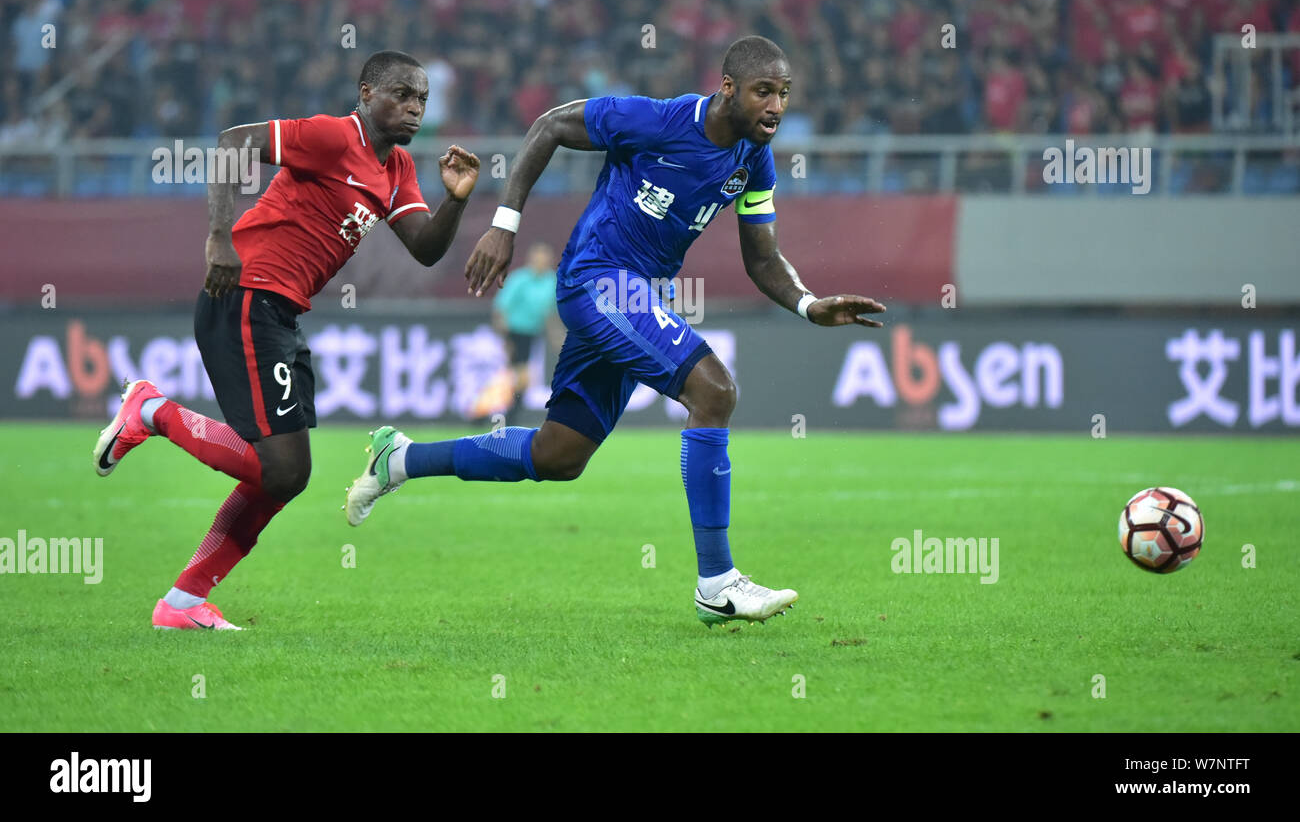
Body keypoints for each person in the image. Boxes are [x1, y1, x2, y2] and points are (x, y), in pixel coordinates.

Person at [345, 36, 885, 627]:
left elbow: (762, 258)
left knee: (560, 454)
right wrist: (505, 223)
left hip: (634, 297)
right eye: (764, 91)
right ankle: (717, 582)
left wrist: (808, 305)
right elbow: (551, 126)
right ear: (728, 88)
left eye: (783, 94)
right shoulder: (655, 121)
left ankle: (399, 460)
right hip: (597, 279)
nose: (776, 106)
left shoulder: (754, 159)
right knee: (714, 391)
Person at [92, 50, 480, 630]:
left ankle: (182, 603)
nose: (413, 108)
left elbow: (425, 248)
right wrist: (219, 237)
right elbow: (232, 142)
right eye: (401, 94)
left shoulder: (396, 168)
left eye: (421, 99)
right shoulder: (330, 138)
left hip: (281, 311)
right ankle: (150, 411)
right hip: (245, 290)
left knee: (287, 474)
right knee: (277, 467)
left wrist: (458, 198)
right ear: (367, 92)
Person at [488, 242, 559, 424]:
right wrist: (506, 340)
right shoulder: (520, 279)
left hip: (532, 334)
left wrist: (555, 337)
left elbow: (549, 313)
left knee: (520, 379)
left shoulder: (551, 281)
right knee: (522, 378)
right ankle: (507, 416)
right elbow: (501, 309)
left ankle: (505, 416)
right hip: (515, 332)